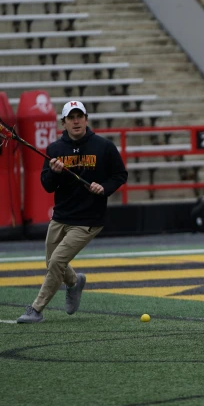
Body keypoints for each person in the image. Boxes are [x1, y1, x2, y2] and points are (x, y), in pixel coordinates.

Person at [17, 101, 128, 323]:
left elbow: (120, 175)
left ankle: (36, 309)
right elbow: (47, 185)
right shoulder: (55, 149)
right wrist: (56, 173)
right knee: (52, 262)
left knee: (57, 261)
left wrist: (104, 187)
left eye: (80, 116)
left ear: (86, 119)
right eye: (71, 117)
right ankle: (74, 282)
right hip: (60, 216)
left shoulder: (104, 146)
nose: (76, 121)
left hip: (88, 219)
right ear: (64, 122)